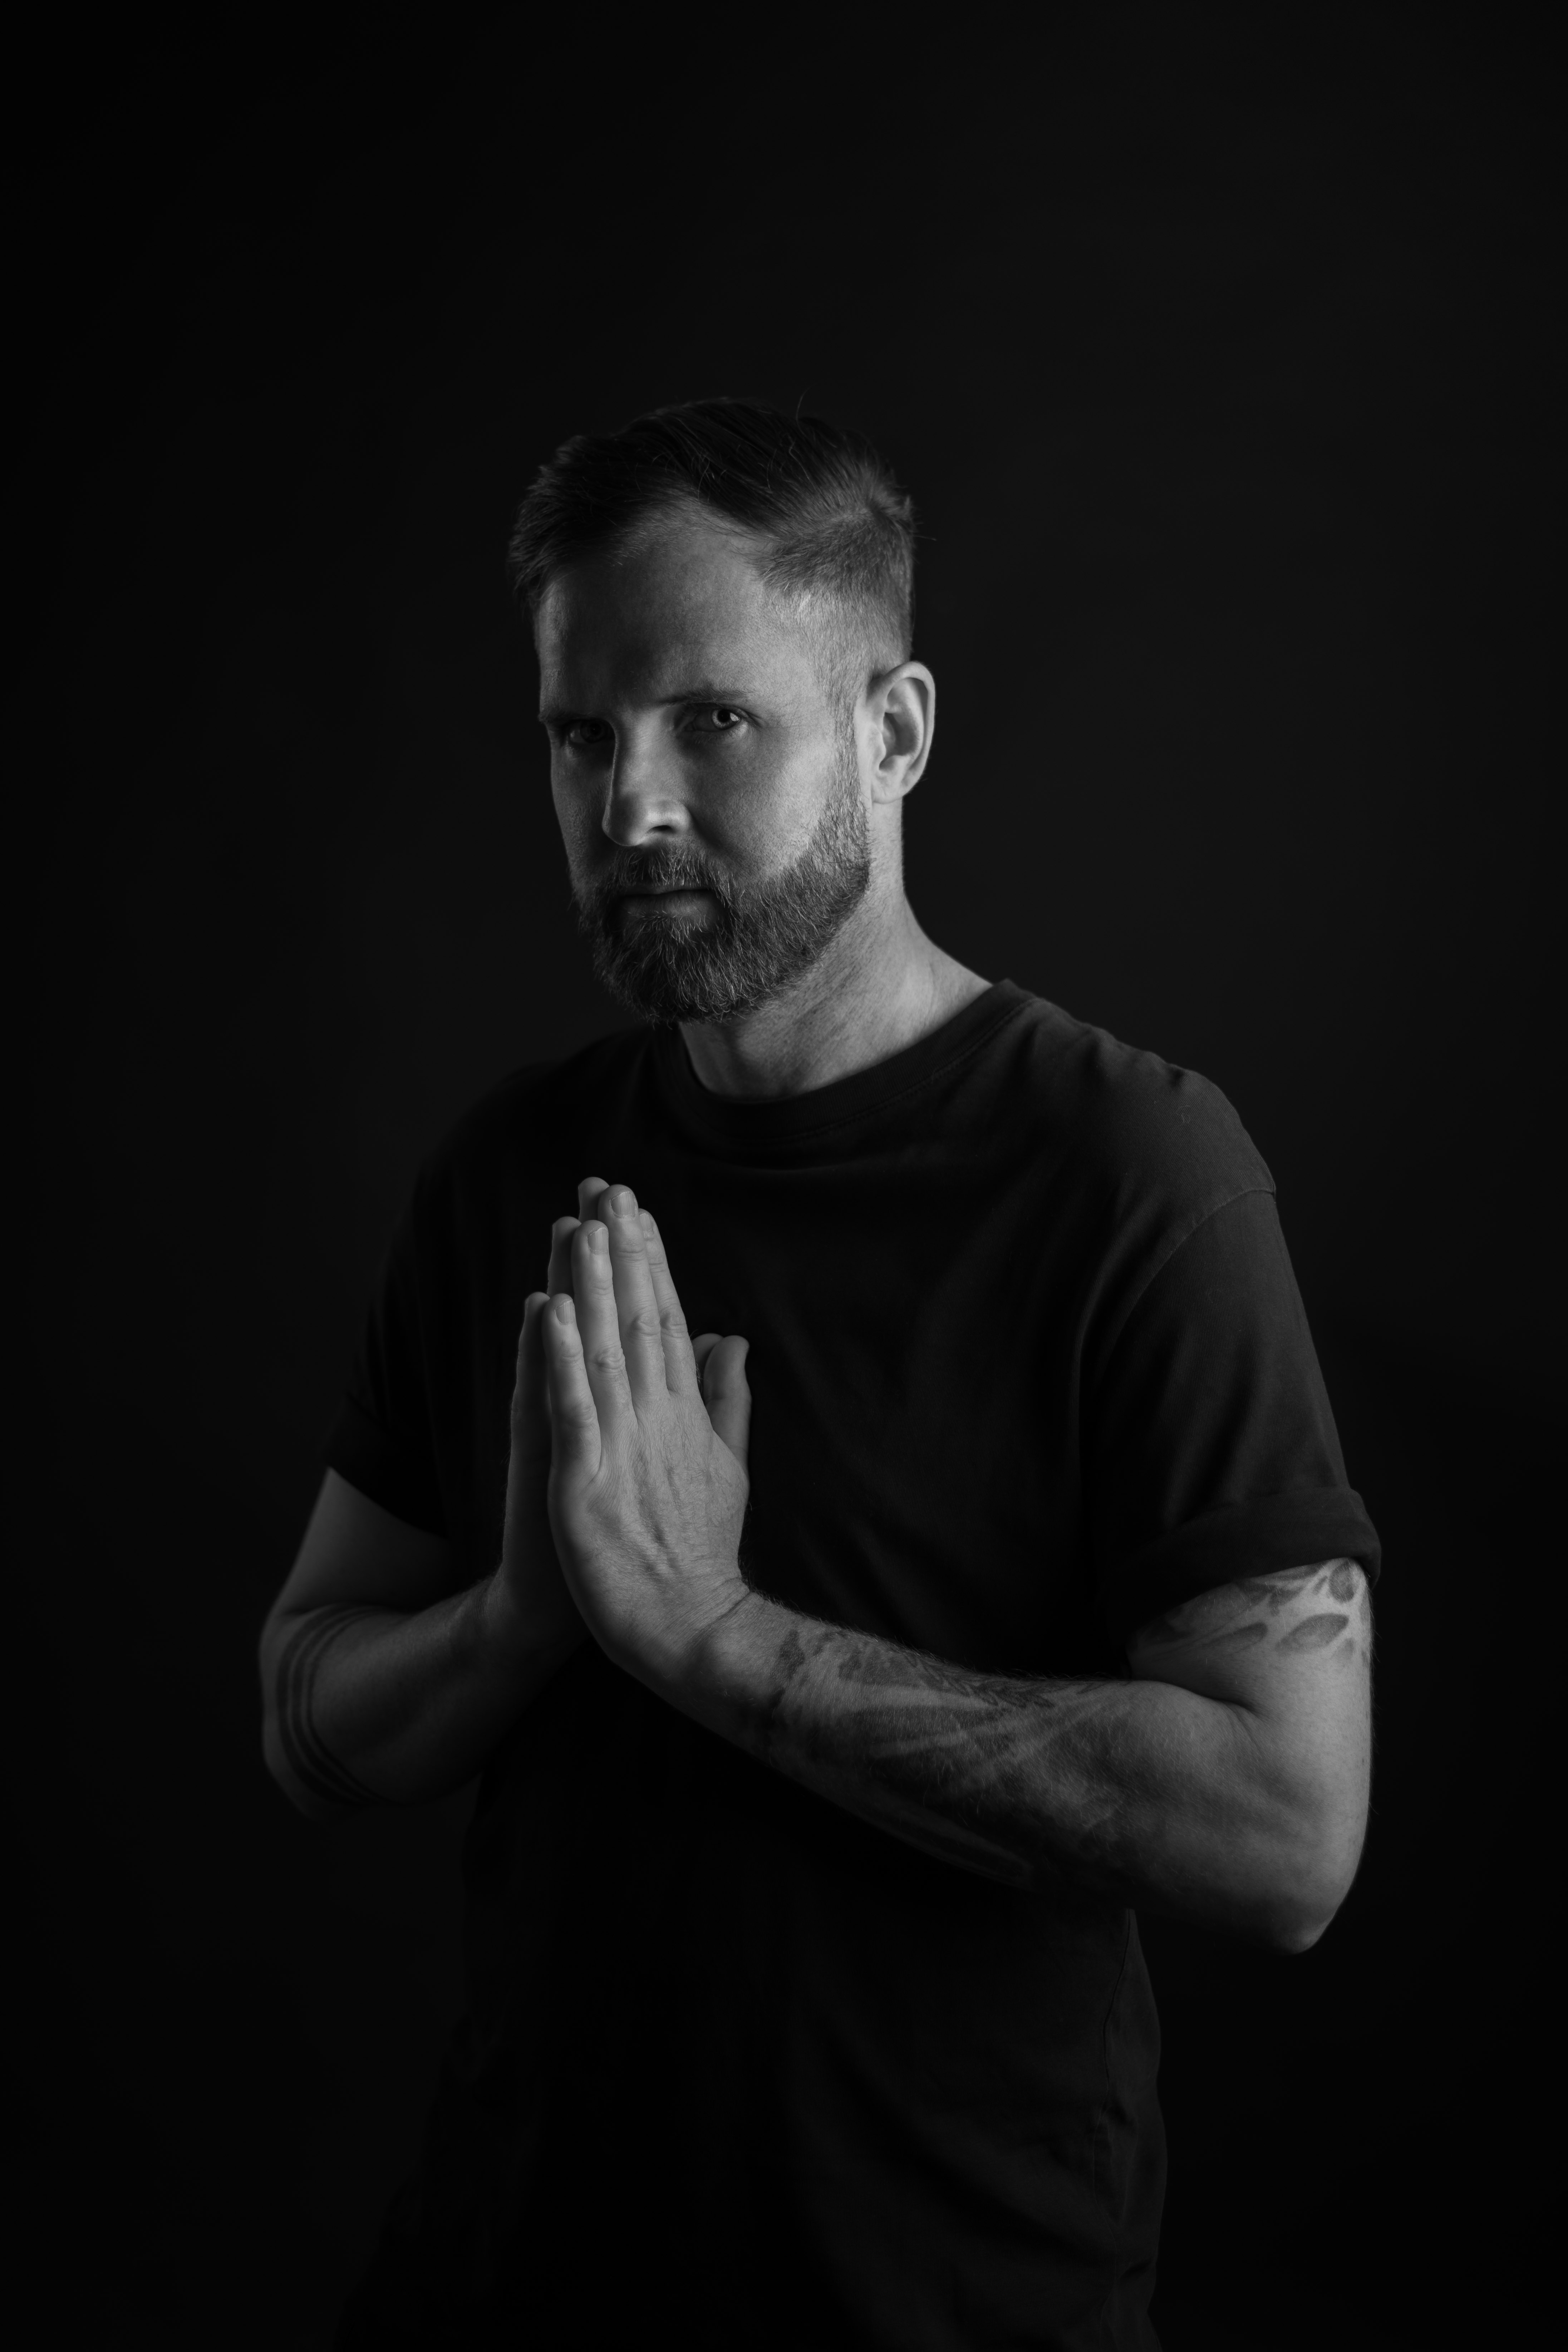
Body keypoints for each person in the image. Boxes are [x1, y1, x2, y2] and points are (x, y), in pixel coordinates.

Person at [259, 398, 1379, 2351]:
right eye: (581, 734)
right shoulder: (507, 1178)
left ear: (896, 731)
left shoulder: (1132, 1174)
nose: (631, 809)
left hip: (943, 2304)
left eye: (710, 720)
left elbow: (1286, 1829)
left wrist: (704, 1632)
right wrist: (528, 1617)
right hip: (510, 2277)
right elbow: (300, 1704)